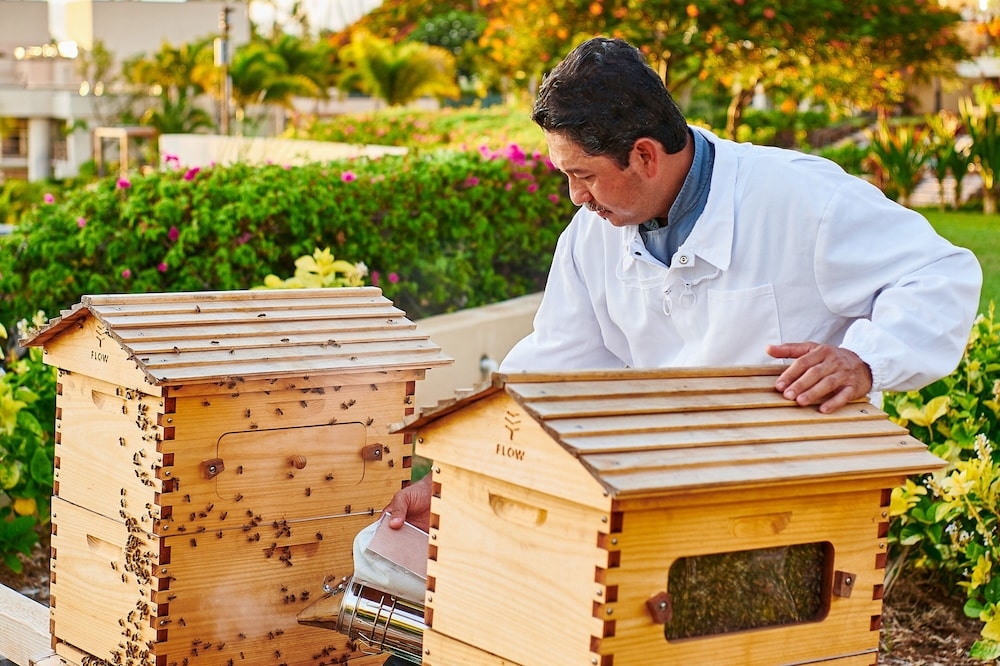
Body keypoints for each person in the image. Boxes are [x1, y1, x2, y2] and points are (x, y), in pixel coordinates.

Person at [382, 37, 982, 535]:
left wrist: (865, 361)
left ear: (644, 155)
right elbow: (552, 373)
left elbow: (941, 273)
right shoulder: (591, 238)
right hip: (666, 496)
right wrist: (461, 483)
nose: (575, 197)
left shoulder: (803, 200)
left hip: (799, 500)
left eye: (583, 176)